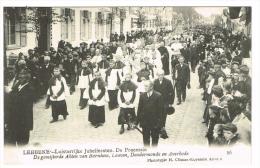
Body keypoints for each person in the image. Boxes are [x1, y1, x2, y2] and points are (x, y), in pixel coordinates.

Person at [7, 69, 35, 146]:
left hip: (23, 123)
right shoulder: (18, 85)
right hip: (14, 121)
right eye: (19, 77)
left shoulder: (30, 89)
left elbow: (20, 101)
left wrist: (9, 92)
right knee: (12, 143)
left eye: (22, 77)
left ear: (26, 79)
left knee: (22, 144)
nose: (19, 79)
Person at [136, 80, 164, 147]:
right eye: (144, 86)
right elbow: (139, 109)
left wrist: (159, 124)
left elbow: (161, 112)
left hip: (155, 123)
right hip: (145, 123)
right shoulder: (142, 96)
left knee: (155, 140)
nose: (144, 88)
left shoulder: (158, 96)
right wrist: (137, 121)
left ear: (151, 87)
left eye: (146, 86)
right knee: (145, 140)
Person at [153, 69, 174, 139]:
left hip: (165, 102)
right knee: (157, 115)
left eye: (162, 75)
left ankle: (162, 128)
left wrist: (171, 103)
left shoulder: (168, 82)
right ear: (157, 75)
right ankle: (159, 128)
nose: (160, 76)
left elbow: (172, 93)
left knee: (163, 115)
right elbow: (152, 92)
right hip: (157, 102)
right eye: (159, 75)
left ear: (164, 75)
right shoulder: (155, 82)